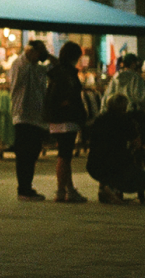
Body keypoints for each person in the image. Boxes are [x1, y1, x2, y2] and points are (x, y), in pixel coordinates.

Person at [43, 41, 89, 203]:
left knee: (64, 155)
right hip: (67, 118)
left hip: (56, 118)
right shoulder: (67, 73)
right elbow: (69, 95)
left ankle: (68, 189)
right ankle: (61, 190)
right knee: (65, 155)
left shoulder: (57, 71)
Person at [8, 39, 52, 201]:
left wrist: (47, 56)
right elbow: (25, 62)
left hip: (37, 119)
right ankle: (23, 189)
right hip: (23, 117)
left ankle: (27, 187)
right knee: (24, 155)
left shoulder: (37, 69)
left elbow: (56, 67)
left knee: (32, 154)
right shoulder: (19, 65)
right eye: (39, 54)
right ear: (31, 52)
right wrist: (32, 51)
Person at [86, 94, 142, 204]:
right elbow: (136, 142)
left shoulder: (99, 120)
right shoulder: (125, 120)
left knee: (105, 156)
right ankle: (113, 190)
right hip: (116, 163)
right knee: (118, 159)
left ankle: (103, 188)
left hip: (93, 164)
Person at [103, 53, 145, 146]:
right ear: (133, 64)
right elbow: (140, 97)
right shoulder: (136, 77)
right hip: (132, 113)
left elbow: (108, 95)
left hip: (115, 112)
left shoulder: (115, 77)